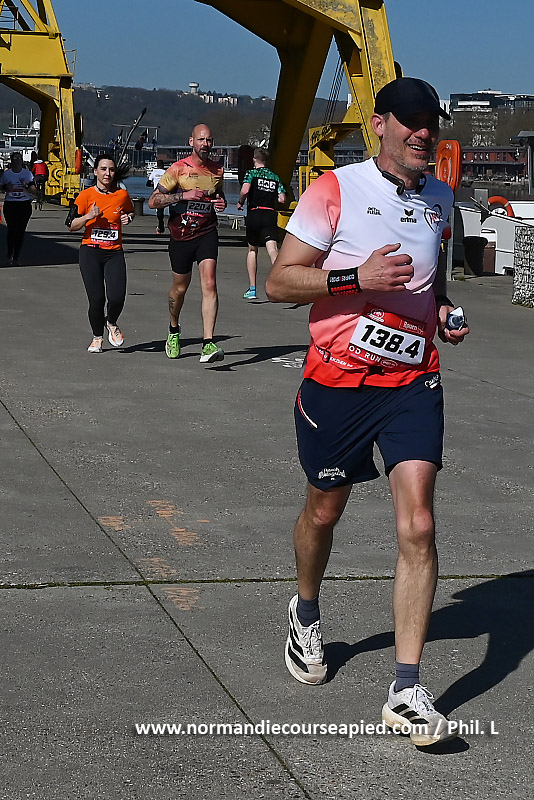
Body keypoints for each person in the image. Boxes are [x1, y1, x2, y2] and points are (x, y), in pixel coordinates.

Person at [265, 77, 470, 748]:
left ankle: (406, 689)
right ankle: (305, 610)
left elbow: (432, 281)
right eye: (409, 120)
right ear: (378, 124)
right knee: (325, 511)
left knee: (419, 523)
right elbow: (279, 282)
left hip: (413, 381)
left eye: (430, 121)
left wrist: (442, 310)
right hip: (338, 384)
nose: (422, 132)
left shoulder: (440, 199)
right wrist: (355, 279)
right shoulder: (334, 190)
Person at [148, 124, 226, 364]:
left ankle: (208, 342)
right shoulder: (178, 169)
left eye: (209, 140)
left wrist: (221, 203)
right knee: (179, 289)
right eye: (201, 140)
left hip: (206, 232)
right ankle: (173, 330)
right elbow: (153, 201)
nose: (205, 144)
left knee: (209, 283)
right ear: (191, 142)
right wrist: (183, 195)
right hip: (181, 235)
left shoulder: (218, 170)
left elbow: (218, 196)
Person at [66, 153, 134, 353]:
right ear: (95, 171)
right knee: (96, 300)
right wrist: (88, 216)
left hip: (114, 253)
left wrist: (129, 218)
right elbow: (71, 225)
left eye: (111, 170)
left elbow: (130, 211)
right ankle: (97, 337)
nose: (107, 173)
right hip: (91, 253)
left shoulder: (122, 195)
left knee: (117, 297)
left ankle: (111, 322)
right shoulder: (85, 196)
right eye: (103, 169)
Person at [237, 147, 286, 300]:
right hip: (269, 214)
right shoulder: (274, 177)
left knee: (253, 250)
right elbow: (282, 199)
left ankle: (252, 289)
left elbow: (245, 190)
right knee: (273, 250)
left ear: (254, 160)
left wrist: (240, 202)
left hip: (255, 212)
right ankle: (281, 284)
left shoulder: (251, 174)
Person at [0, 152, 37, 266]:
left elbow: (34, 190)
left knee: (20, 231)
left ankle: (16, 257)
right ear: (11, 161)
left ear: (21, 161)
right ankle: (9, 255)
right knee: (12, 230)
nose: (17, 161)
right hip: (11, 204)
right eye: (14, 159)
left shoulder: (27, 174)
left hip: (24, 204)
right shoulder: (7, 174)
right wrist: (6, 187)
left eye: (19, 159)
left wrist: (26, 185)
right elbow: (1, 186)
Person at [148, 159, 166, 234]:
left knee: (159, 210)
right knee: (162, 209)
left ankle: (160, 226)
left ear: (157, 165)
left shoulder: (154, 172)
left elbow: (148, 183)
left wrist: (153, 185)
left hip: (156, 192)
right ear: (163, 165)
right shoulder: (165, 172)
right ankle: (161, 226)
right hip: (165, 192)